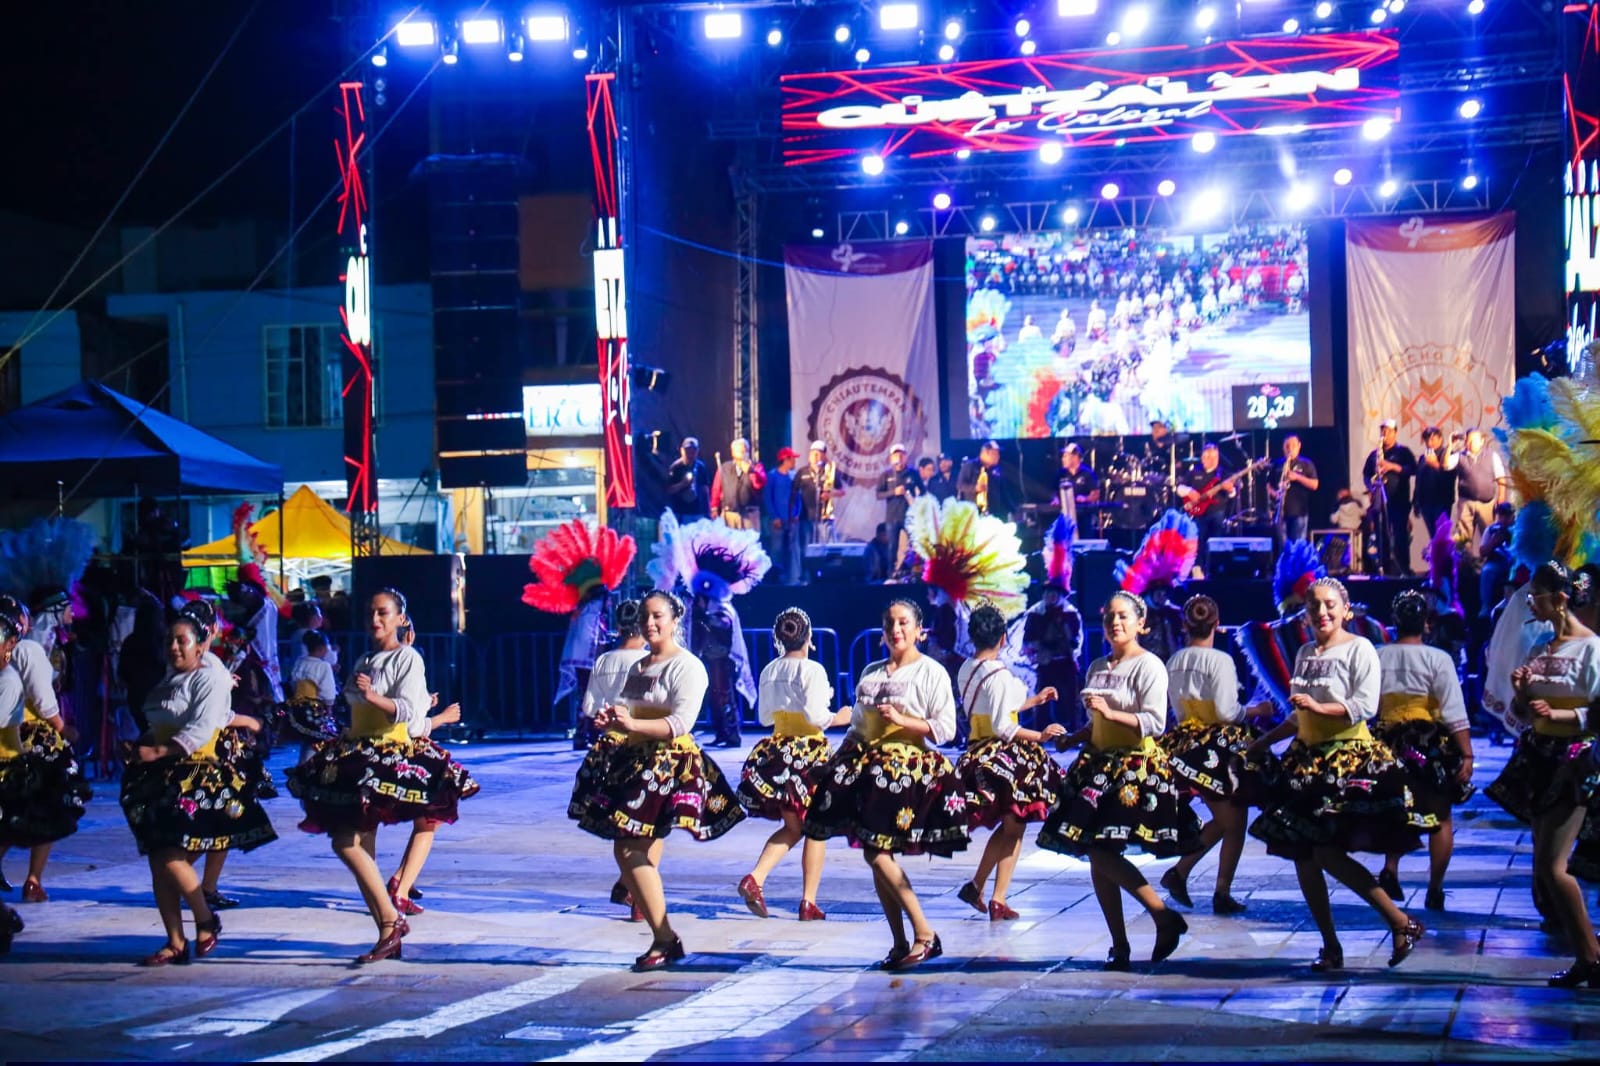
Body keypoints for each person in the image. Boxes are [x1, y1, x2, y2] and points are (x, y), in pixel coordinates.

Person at [1245, 577, 1429, 973]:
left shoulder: (1361, 648)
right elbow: (1299, 714)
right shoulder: (1306, 652)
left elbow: (1364, 706)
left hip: (1347, 762)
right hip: (1304, 764)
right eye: (1313, 606)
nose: (1321, 612)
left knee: (1325, 851)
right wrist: (1263, 743)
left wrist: (1317, 705)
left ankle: (1400, 921)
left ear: (1346, 610)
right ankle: (1330, 947)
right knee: (1303, 857)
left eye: (1330, 605)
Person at [286, 588, 479, 964]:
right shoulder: (364, 658)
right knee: (356, 844)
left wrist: (374, 697)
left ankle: (391, 920)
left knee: (350, 842)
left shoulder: (408, 658)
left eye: (383, 613)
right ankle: (388, 926)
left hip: (387, 755)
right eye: (371, 613)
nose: (375, 620)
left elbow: (407, 711)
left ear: (400, 618)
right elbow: (354, 703)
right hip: (357, 753)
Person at [568, 589, 746, 970]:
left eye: (658, 616)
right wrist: (612, 719)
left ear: (674, 620)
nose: (650, 623)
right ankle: (662, 935)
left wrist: (631, 723)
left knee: (630, 849)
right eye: (646, 616)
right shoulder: (639, 666)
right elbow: (629, 709)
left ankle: (664, 937)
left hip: (667, 766)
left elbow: (681, 722)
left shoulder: (689, 667)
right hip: (632, 761)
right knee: (627, 849)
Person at [804, 600, 970, 970]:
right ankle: (899, 942)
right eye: (890, 623)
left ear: (918, 630)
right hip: (868, 771)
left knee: (876, 851)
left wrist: (903, 719)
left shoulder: (931, 672)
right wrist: (832, 764)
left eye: (904, 623)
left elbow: (945, 729)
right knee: (874, 853)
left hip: (907, 773)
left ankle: (925, 934)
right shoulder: (871, 673)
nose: (896, 629)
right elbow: (858, 728)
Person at [1037, 591, 1199, 968]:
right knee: (1097, 855)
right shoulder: (1097, 666)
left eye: (1124, 616)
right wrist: (1074, 736)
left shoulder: (1150, 666)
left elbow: (1154, 723)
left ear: (1141, 623)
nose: (1115, 622)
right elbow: (1098, 723)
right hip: (1095, 766)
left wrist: (1109, 711)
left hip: (1131, 770)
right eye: (1109, 615)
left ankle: (1161, 914)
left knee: (1099, 850)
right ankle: (1121, 944)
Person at [120, 612, 276, 965]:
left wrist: (157, 750)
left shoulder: (211, 677)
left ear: (202, 643)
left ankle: (205, 918)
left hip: (195, 776)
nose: (174, 647)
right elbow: (158, 724)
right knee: (160, 862)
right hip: (156, 776)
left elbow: (200, 731)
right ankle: (175, 941)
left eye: (182, 640)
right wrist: (138, 745)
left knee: (168, 855)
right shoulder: (168, 681)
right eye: (169, 641)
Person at [1484, 563, 1600, 986]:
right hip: (1540, 759)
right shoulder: (1541, 652)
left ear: (1561, 598)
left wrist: (1562, 713)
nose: (1530, 602)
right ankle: (1585, 956)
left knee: (1553, 867)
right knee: (1543, 868)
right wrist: (1520, 694)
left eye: (1537, 595)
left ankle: (1591, 956)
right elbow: (1521, 716)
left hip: (1574, 762)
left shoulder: (1592, 649)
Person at [736, 608, 850, 921]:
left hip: (777, 753)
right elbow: (818, 718)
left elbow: (763, 718)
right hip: (809, 755)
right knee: (815, 828)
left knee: (793, 827)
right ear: (809, 638)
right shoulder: (812, 670)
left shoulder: (770, 670)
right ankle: (807, 901)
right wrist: (844, 716)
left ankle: (756, 878)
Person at [953, 605, 1066, 921]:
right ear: (1004, 638)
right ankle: (992, 894)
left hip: (978, 751)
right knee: (1014, 824)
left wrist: (1033, 701)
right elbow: (1005, 727)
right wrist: (1041, 735)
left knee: (1012, 823)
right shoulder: (1000, 675)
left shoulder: (968, 668)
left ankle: (984, 890)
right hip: (1003, 757)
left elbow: (994, 709)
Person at [1159, 595, 1268, 916]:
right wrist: (1258, 709)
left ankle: (1214, 887)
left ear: (1184, 625)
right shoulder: (1220, 660)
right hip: (1216, 748)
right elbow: (1227, 711)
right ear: (1217, 625)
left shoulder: (1174, 660)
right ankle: (1187, 875)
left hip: (1182, 743)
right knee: (1231, 819)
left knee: (1233, 819)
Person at [1373, 590, 1474, 911]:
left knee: (1393, 808)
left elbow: (1366, 704)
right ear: (1426, 624)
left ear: (1394, 622)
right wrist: (1467, 754)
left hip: (1385, 742)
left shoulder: (1377, 655)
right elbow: (1454, 712)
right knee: (1440, 817)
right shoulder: (1438, 659)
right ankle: (1435, 888)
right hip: (1428, 745)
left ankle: (1390, 868)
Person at [0, 602, 89, 917]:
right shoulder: (31, 650)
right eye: (67, 606)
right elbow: (43, 699)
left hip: (13, 733)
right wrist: (66, 729)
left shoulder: (26, 649)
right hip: (32, 739)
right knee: (42, 810)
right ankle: (34, 879)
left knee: (16, 813)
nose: (73, 613)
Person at [576, 599, 651, 920]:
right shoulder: (646, 662)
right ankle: (636, 892)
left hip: (607, 749)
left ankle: (629, 884)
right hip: (638, 746)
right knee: (651, 825)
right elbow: (639, 705)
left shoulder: (605, 660)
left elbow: (589, 707)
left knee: (622, 823)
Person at [1363, 418, 1418, 576]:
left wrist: (1392, 466)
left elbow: (1412, 469)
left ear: (1395, 433)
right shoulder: (1374, 454)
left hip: (1398, 500)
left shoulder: (1403, 452)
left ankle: (1403, 568)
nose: (1384, 434)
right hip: (1379, 501)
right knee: (1381, 535)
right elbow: (1366, 475)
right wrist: (1371, 487)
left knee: (1400, 535)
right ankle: (1384, 567)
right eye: (1382, 431)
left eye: (1387, 431)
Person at [1449, 428, 1508, 563]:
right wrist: (1450, 446)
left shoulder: (1492, 456)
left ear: (1482, 441)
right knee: (1463, 538)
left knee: (1489, 535)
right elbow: (1445, 465)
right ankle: (1466, 568)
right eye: (1467, 440)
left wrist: (1501, 496)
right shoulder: (1460, 456)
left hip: (1486, 503)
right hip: (1466, 502)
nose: (1469, 443)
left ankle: (1489, 566)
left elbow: (1501, 478)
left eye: (1473, 441)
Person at [281, 630, 341, 761]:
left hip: (296, 708)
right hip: (314, 710)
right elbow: (328, 692)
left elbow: (292, 682)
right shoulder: (323, 665)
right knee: (324, 738)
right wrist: (329, 707)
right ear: (322, 648)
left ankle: (303, 766)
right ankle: (308, 768)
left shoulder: (300, 661)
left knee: (307, 741)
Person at [1175, 443, 1234, 567]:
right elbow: (1179, 488)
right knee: (1197, 534)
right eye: (1208, 457)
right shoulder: (1194, 472)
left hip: (1217, 511)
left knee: (1217, 528)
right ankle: (1197, 567)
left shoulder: (1223, 474)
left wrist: (1230, 490)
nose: (1212, 461)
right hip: (1197, 513)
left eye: (1214, 458)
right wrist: (1189, 491)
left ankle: (1216, 567)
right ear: (1202, 458)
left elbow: (1233, 495)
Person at [876, 443, 922, 571]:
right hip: (892, 517)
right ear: (891, 458)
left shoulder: (913, 473)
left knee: (915, 545)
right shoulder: (886, 475)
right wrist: (893, 492)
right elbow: (878, 494)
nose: (899, 457)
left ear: (906, 457)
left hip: (909, 516)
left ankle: (914, 573)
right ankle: (891, 575)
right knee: (892, 547)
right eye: (896, 455)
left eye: (902, 455)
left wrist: (916, 501)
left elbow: (923, 491)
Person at [1269, 434, 1320, 547]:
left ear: (1299, 446)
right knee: (1283, 547)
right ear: (1283, 447)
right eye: (1287, 446)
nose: (1290, 448)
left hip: (1299, 512)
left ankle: (1296, 565)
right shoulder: (1277, 464)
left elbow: (1315, 485)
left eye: (1293, 445)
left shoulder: (1306, 463)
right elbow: (1268, 485)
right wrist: (1275, 493)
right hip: (1281, 512)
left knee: (1298, 547)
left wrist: (1297, 477)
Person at [764, 447, 803, 586]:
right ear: (785, 459)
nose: (794, 461)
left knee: (792, 549)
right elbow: (768, 498)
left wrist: (797, 514)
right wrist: (774, 517)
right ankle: (776, 580)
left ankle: (793, 579)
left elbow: (798, 497)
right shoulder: (772, 476)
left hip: (791, 520)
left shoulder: (793, 477)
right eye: (792, 458)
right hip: (778, 521)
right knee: (777, 550)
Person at [1413, 427, 1456, 550]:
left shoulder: (1447, 454)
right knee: (1433, 537)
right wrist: (1416, 503)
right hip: (1425, 504)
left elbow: (1450, 477)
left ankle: (1445, 567)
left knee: (1442, 537)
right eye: (1427, 439)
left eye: (1433, 438)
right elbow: (1418, 481)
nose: (1430, 442)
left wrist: (1435, 464)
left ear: (1440, 439)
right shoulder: (1423, 457)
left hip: (1441, 503)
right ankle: (1436, 567)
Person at [711, 438, 765, 531]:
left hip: (749, 514)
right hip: (729, 514)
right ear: (733, 452)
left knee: (749, 543)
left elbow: (759, 484)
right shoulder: (724, 467)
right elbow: (716, 488)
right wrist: (714, 508)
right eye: (740, 450)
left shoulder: (756, 466)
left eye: (745, 450)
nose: (743, 453)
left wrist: (752, 472)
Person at [793, 441, 840, 548]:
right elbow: (794, 493)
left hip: (823, 517)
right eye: (812, 453)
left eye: (818, 454)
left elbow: (842, 491)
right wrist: (794, 513)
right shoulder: (802, 472)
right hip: (806, 517)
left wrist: (830, 494)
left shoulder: (829, 472)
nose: (815, 457)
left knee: (825, 548)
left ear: (824, 456)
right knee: (807, 547)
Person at [957, 440, 1015, 522]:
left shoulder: (996, 470)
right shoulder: (970, 466)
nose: (998, 456)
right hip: (974, 512)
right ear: (986, 453)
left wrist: (1011, 509)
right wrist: (975, 488)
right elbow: (960, 485)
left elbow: (1003, 491)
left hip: (994, 513)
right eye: (995, 453)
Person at [666, 437, 711, 519]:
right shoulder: (675, 467)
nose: (691, 453)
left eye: (693, 450)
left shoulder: (701, 467)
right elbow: (669, 490)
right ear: (682, 450)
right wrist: (682, 484)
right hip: (680, 512)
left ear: (697, 451)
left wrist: (708, 511)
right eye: (688, 450)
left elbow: (705, 490)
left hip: (698, 512)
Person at [1059, 443, 1100, 510]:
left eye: (1065, 456)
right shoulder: (1061, 474)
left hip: (1084, 514)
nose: (1063, 459)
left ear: (1075, 457)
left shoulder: (1087, 473)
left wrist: (1085, 499)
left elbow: (1096, 494)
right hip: (1065, 512)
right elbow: (1054, 492)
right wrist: (1056, 499)